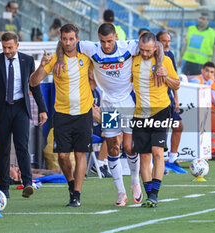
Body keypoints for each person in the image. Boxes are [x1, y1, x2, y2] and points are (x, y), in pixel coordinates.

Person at [54, 23, 166, 206]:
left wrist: (159, 64)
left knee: (130, 147)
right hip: (108, 105)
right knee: (113, 147)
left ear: (116, 37)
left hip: (127, 102)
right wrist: (59, 60)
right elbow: (63, 45)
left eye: (109, 41)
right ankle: (121, 192)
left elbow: (158, 45)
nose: (106, 45)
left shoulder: (128, 47)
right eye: (103, 41)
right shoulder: (92, 48)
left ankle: (135, 182)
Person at [30, 24, 94, 207]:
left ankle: (76, 194)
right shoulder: (53, 60)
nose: (68, 42)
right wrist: (41, 66)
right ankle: (71, 183)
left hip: (84, 113)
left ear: (77, 39)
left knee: (81, 154)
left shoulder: (86, 57)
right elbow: (33, 82)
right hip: (62, 114)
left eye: (71, 39)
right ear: (61, 40)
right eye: (64, 39)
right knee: (64, 156)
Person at [0, 32, 48, 199]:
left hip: (20, 108)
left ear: (17, 46)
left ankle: (27, 183)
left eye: (10, 47)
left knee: (22, 145)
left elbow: (34, 86)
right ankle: (4, 187)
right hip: (1, 109)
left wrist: (42, 108)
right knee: (3, 149)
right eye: (4, 47)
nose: (7, 50)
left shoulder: (27, 61)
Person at [132, 32, 180, 207]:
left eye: (148, 50)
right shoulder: (133, 60)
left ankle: (155, 194)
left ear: (155, 47)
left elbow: (177, 84)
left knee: (158, 152)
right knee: (144, 155)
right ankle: (149, 194)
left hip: (161, 110)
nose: (145, 54)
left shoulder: (165, 61)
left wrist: (165, 76)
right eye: (142, 50)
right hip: (139, 113)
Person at [156, 30, 185, 173]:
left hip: (169, 98)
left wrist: (176, 98)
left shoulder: (170, 55)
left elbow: (174, 78)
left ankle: (172, 159)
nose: (166, 43)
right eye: (163, 40)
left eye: (168, 41)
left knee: (178, 126)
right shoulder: (153, 56)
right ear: (157, 42)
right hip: (157, 100)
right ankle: (160, 163)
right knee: (162, 130)